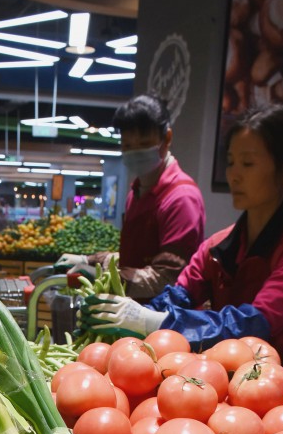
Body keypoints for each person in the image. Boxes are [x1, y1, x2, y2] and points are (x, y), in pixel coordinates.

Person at [84, 104, 283, 376]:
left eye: (248, 163)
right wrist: (134, 313)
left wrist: (155, 321)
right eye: (230, 162)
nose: (234, 175)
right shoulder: (218, 244)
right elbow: (180, 294)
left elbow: (254, 324)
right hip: (222, 384)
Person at [59, 94, 206, 299]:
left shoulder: (181, 199)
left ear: (167, 138)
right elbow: (135, 262)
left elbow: (167, 278)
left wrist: (104, 278)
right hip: (130, 311)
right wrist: (88, 259)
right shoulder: (135, 193)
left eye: (144, 144)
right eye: (128, 146)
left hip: (161, 319)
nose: (136, 152)